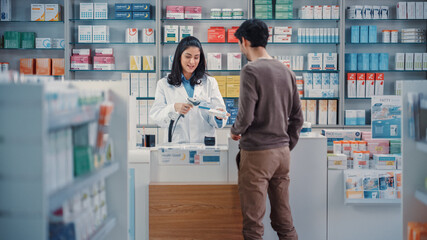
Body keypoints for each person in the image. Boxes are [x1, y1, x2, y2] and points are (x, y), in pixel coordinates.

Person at [230, 19, 304, 240]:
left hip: (257, 155)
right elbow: (298, 118)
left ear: (244, 41)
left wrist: (235, 131)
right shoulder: (286, 71)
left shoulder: (251, 70)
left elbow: (246, 115)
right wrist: (285, 144)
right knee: (284, 220)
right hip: (282, 155)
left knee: (253, 223)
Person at [150, 36, 229, 143]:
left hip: (203, 144)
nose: (192, 62)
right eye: (188, 56)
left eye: (196, 57)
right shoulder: (164, 84)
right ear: (179, 57)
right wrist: (173, 108)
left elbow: (217, 115)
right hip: (177, 145)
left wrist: (218, 116)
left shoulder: (210, 83)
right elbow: (156, 116)